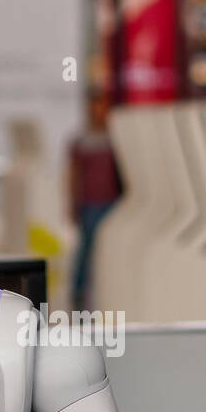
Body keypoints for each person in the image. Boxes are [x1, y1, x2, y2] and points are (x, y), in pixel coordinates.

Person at [66, 91, 121, 310]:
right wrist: (72, 203)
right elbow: (73, 175)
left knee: (108, 249)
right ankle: (78, 292)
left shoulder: (114, 137)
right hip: (90, 204)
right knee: (87, 250)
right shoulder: (82, 140)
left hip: (113, 202)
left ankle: (104, 290)